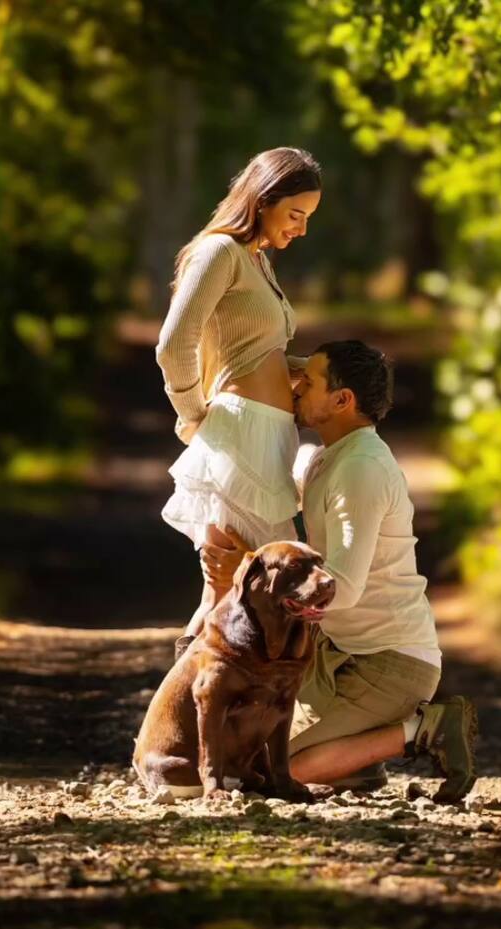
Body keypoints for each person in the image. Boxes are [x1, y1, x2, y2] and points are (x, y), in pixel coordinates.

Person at [201, 340, 477, 803]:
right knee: (239, 745)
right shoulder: (326, 457)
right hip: (337, 653)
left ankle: (422, 730)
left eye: (307, 383)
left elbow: (341, 591)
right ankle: (358, 769)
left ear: (342, 400)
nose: (295, 390)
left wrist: (245, 573)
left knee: (270, 768)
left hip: (390, 663)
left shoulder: (361, 469)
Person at [155, 147, 321, 645]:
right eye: (296, 215)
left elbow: (257, 353)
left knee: (243, 601)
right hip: (240, 435)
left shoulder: (257, 261)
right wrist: (192, 416)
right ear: (264, 199)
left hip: (269, 438)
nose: (302, 230)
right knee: (229, 597)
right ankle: (175, 720)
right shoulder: (219, 252)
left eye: (308, 219)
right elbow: (174, 342)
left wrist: (325, 372)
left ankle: (204, 718)